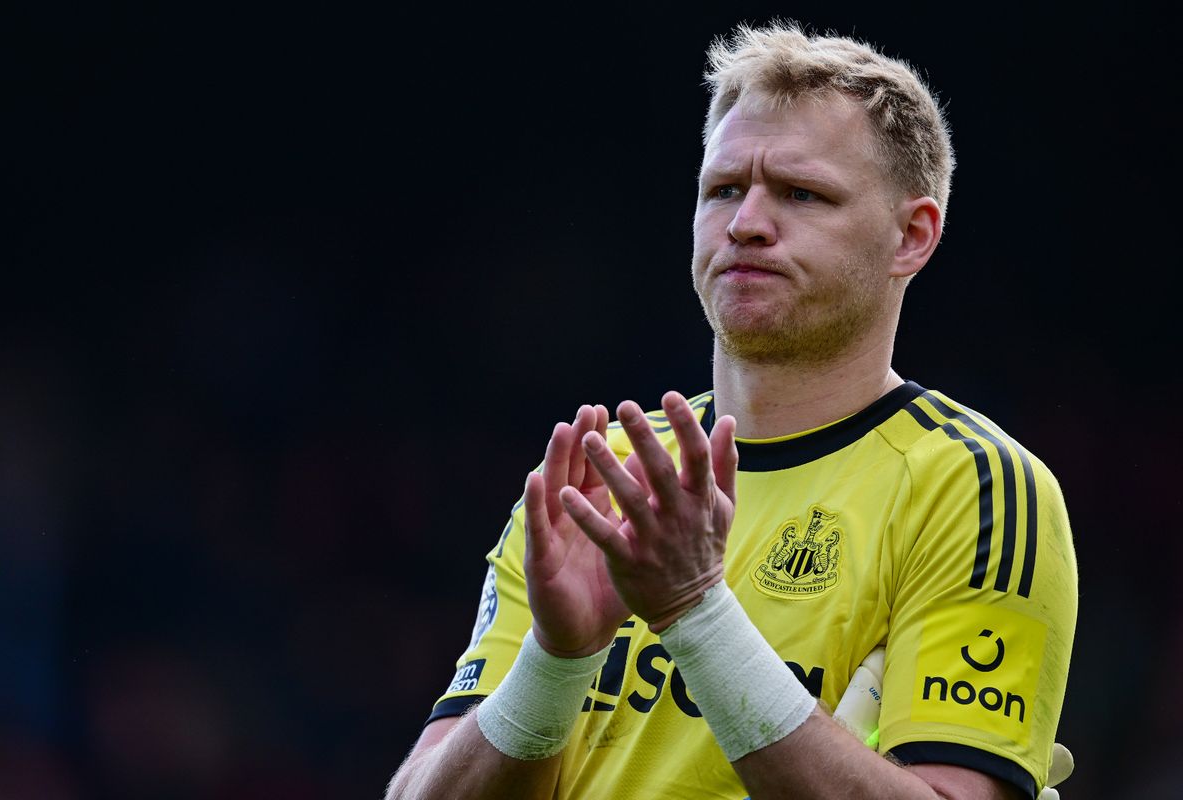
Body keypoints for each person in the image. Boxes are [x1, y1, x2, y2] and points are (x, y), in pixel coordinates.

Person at [386, 20, 1077, 800]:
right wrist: (555, 660)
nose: (746, 222)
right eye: (723, 190)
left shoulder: (975, 488)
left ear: (911, 237)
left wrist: (695, 616)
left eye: (800, 193)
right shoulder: (598, 476)